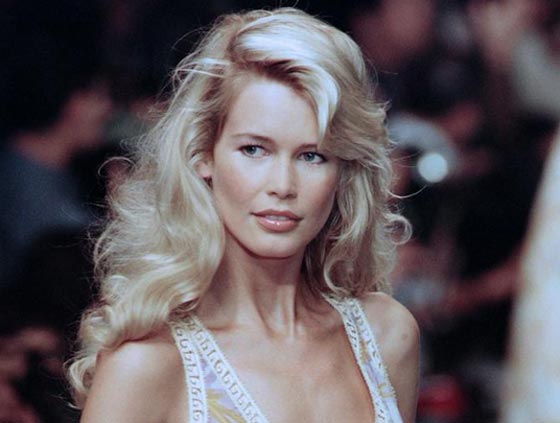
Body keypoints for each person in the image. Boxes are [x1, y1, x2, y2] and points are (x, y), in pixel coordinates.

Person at [67, 8, 420, 423]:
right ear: (204, 155)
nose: (283, 185)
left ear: (343, 170)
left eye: (312, 156)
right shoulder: (148, 364)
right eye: (254, 150)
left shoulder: (386, 335)